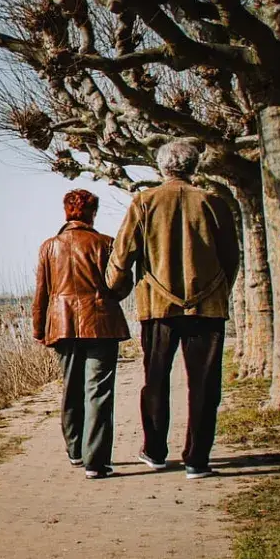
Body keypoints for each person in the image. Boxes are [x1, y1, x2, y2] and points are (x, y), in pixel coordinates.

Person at [106, 141, 239, 480]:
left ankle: (154, 452)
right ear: (195, 166)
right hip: (208, 309)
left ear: (162, 167)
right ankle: (197, 460)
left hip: (157, 307)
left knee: (155, 381)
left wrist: (114, 289)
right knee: (205, 385)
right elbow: (231, 259)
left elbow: (122, 255)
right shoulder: (213, 202)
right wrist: (220, 291)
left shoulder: (144, 202)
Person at [33, 189, 131, 479]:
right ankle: (96, 462)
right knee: (98, 391)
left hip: (62, 324)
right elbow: (121, 284)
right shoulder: (106, 244)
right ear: (93, 213)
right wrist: (105, 297)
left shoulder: (49, 247)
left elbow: (41, 292)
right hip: (101, 324)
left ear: (66, 212)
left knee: (71, 388)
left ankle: (75, 451)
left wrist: (39, 328)